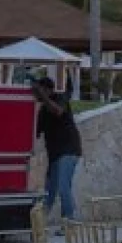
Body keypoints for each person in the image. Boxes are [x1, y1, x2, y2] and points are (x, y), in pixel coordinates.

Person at [32, 72, 82, 219]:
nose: (37, 96)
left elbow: (58, 111)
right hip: (54, 154)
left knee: (63, 186)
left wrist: (43, 96)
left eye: (41, 91)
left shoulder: (60, 98)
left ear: (48, 90)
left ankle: (70, 220)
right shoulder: (42, 112)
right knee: (49, 190)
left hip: (69, 150)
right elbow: (35, 132)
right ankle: (40, 223)